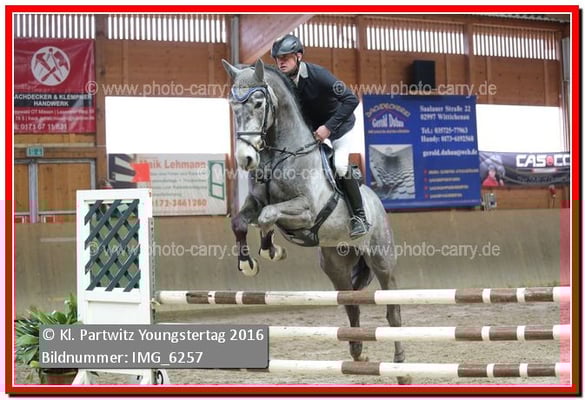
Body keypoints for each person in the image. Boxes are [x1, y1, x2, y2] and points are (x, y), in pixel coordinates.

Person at [271, 34, 369, 239]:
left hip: (339, 127)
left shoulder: (318, 75)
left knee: (340, 165)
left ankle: (359, 217)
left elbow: (351, 100)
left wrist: (328, 128)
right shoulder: (283, 82)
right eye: (278, 58)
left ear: (298, 56)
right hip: (313, 132)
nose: (281, 62)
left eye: (285, 57)